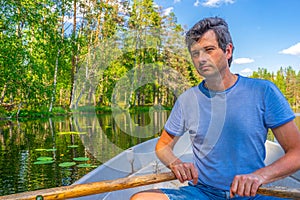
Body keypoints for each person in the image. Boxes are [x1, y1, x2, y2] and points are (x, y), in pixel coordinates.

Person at [130, 17, 300, 200]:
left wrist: (260, 176)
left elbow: (296, 151)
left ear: (228, 50)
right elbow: (163, 146)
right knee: (140, 198)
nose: (201, 59)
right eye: (195, 53)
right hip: (203, 193)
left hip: (254, 193)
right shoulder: (187, 100)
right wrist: (175, 163)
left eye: (209, 50)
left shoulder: (263, 91)